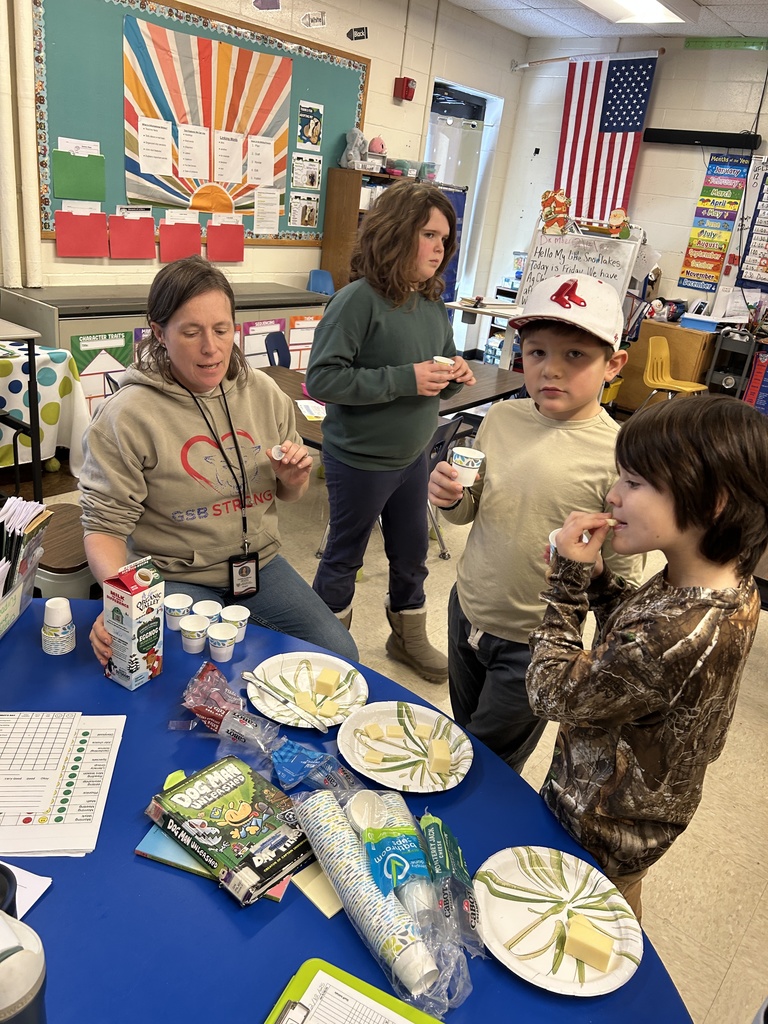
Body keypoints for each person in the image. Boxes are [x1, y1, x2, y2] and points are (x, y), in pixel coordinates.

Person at [527, 394, 768, 920]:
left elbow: (550, 692)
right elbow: (635, 651)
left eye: (633, 483)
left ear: (712, 502)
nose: (612, 496)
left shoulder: (675, 631)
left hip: (602, 826)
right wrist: (599, 582)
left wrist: (567, 584)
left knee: (583, 921)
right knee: (620, 900)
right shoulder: (720, 583)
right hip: (642, 810)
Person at [81, 255, 358, 665]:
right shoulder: (128, 415)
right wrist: (120, 600)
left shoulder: (263, 393)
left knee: (338, 653)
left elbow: (290, 495)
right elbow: (104, 526)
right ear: (159, 332)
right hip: (176, 575)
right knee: (192, 671)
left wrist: (292, 477)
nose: (211, 348)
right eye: (191, 332)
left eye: (221, 329)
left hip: (258, 566)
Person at [428, 273, 643, 769]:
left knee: (486, 762)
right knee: (464, 736)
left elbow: (622, 585)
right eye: (537, 351)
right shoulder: (501, 420)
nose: (551, 370)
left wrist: (590, 573)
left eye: (575, 356)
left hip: (537, 641)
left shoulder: (619, 456)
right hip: (468, 610)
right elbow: (469, 509)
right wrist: (449, 497)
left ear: (613, 364)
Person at [305, 180, 476, 682]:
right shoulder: (357, 301)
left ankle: (408, 639)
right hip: (360, 459)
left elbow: (434, 378)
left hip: (413, 456)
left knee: (412, 554)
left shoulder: (430, 305)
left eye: (444, 237)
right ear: (396, 235)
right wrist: (408, 379)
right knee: (345, 555)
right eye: (428, 234)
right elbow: (323, 379)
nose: (439, 247)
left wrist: (451, 376)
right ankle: (327, 649)